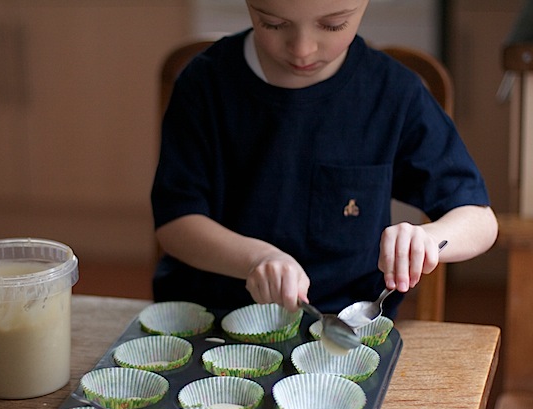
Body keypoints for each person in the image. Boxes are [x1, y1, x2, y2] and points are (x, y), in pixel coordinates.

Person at [150, 0, 498, 318]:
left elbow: (480, 222)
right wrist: (257, 258)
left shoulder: (393, 94)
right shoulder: (204, 84)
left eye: (332, 25)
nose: (302, 49)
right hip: (211, 318)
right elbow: (176, 224)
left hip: (343, 325)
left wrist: (429, 238)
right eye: (272, 23)